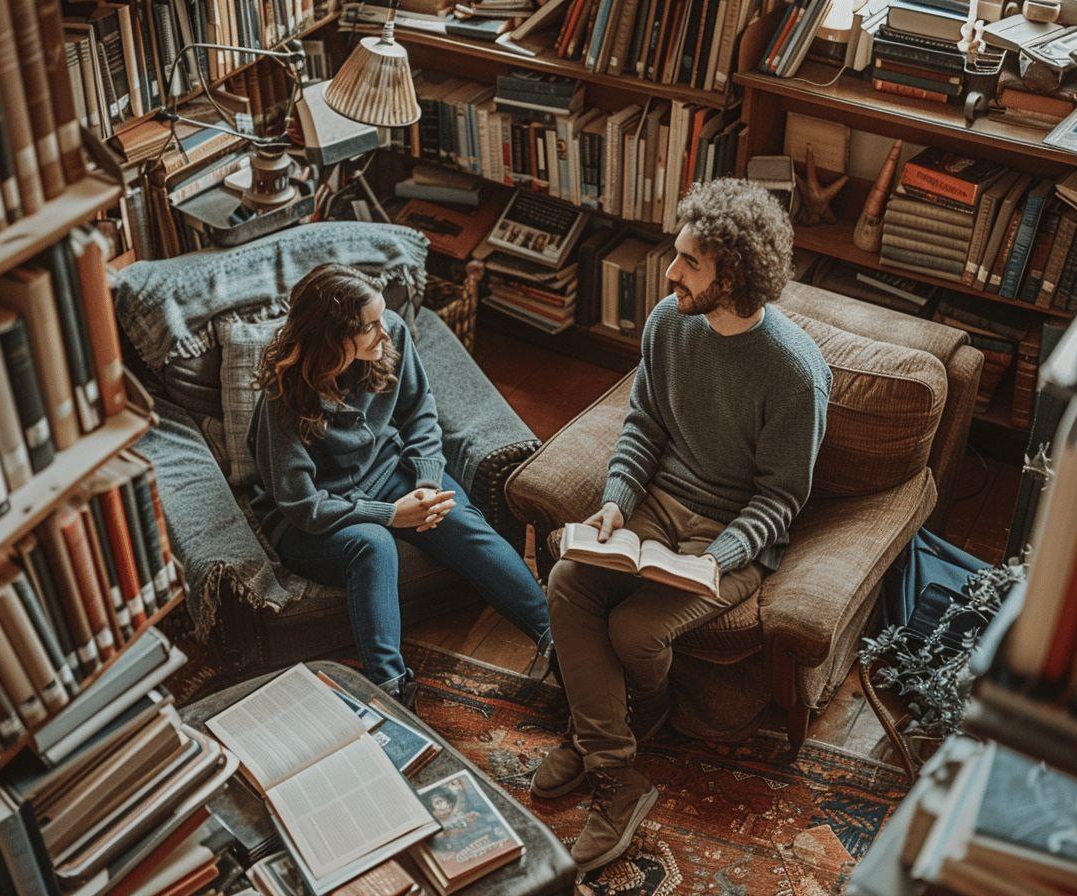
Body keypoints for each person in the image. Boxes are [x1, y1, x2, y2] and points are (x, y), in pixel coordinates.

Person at [532, 179, 832, 872]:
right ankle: (618, 771)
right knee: (570, 584)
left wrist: (718, 558)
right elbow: (643, 423)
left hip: (734, 536)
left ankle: (608, 729)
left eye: (689, 261)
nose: (670, 272)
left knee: (634, 629)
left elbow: (780, 499)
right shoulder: (669, 322)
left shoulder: (794, 374)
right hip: (657, 502)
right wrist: (614, 500)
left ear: (733, 273)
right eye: (677, 255)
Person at [247, 263, 552, 705]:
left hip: (390, 472)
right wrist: (389, 515)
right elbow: (301, 505)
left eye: (382, 317)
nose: (385, 332)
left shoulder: (391, 333)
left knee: (457, 518)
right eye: (370, 326)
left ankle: (555, 640)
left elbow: (420, 413)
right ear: (333, 339)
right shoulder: (285, 395)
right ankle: (390, 689)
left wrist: (427, 481)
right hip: (309, 517)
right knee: (373, 544)